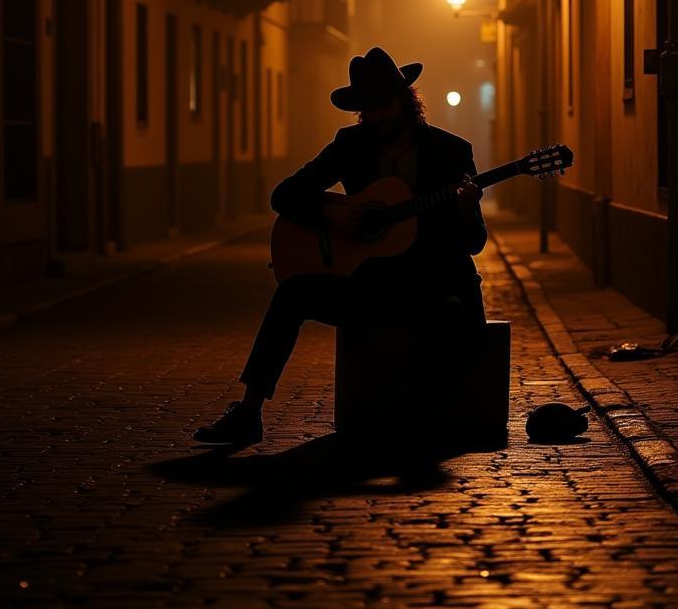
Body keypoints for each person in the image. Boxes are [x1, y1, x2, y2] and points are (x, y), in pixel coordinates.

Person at [194, 47, 487, 446]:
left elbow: (473, 243)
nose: (378, 117)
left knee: (450, 313)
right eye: (368, 110)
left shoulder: (450, 151)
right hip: (365, 283)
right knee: (291, 293)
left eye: (384, 105)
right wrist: (331, 213)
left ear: (406, 100)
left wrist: (467, 210)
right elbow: (285, 195)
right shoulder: (352, 144)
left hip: (427, 285)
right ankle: (248, 412)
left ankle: (413, 419)